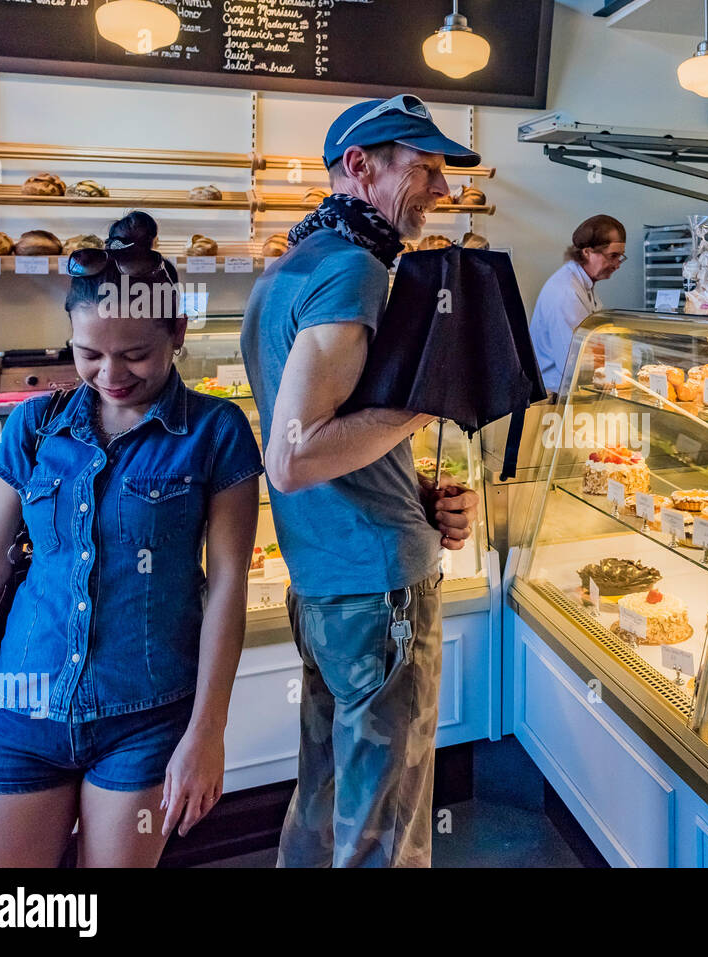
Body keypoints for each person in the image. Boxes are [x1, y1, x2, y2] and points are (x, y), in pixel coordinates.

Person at [0, 212, 262, 867]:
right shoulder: (34, 426)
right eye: (89, 354)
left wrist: (208, 731)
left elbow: (228, 582)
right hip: (21, 708)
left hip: (144, 717)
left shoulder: (217, 431)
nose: (110, 373)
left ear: (176, 332)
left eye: (135, 355)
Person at [241, 93, 480, 868]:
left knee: (323, 804)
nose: (441, 191)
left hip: (325, 584)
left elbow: (324, 434)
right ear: (360, 166)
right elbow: (297, 454)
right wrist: (430, 399)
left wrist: (408, 492)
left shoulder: (293, 265)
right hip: (380, 593)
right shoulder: (353, 269)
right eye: (426, 169)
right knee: (386, 826)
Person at [530, 215, 627, 393]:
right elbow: (573, 362)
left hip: (572, 387)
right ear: (587, 252)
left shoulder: (583, 283)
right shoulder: (566, 292)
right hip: (557, 394)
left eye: (620, 257)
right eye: (613, 256)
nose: (617, 264)